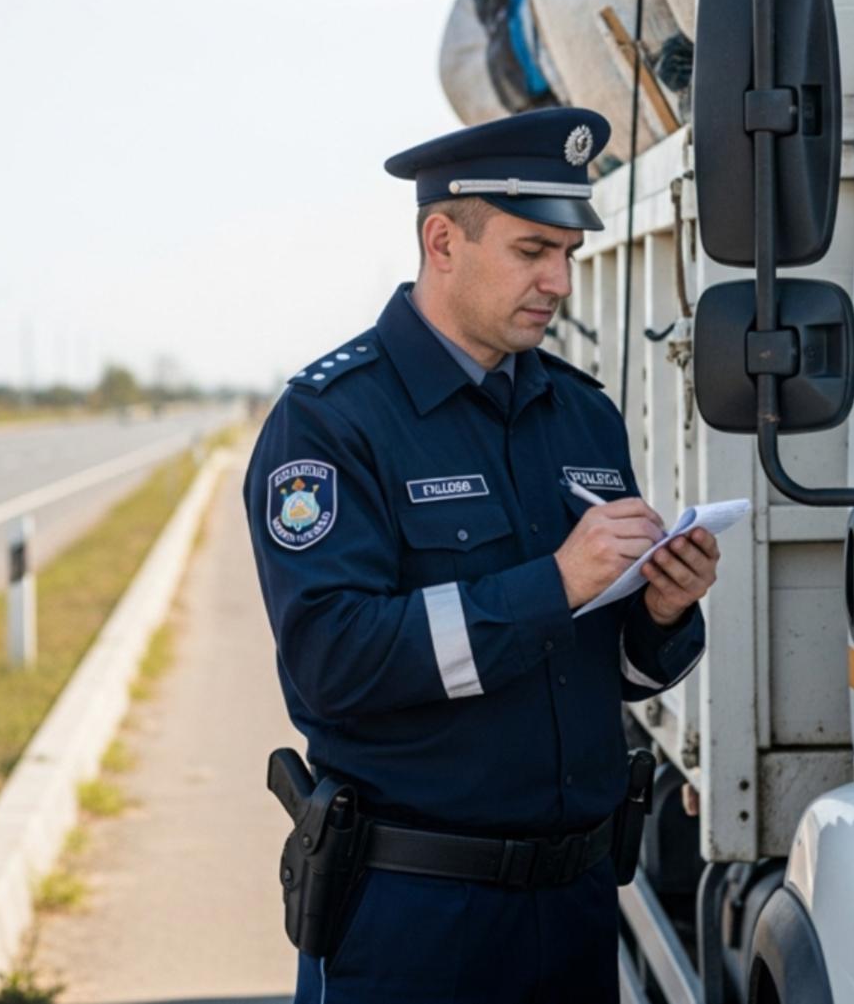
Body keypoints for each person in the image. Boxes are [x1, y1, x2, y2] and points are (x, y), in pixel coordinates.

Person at [244, 107, 715, 1003]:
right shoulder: (333, 418)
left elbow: (594, 664)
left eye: (569, 254)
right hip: (414, 916)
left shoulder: (582, 413)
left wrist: (659, 612)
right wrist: (552, 583)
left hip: (576, 908)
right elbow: (332, 659)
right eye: (533, 250)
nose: (561, 280)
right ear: (442, 239)